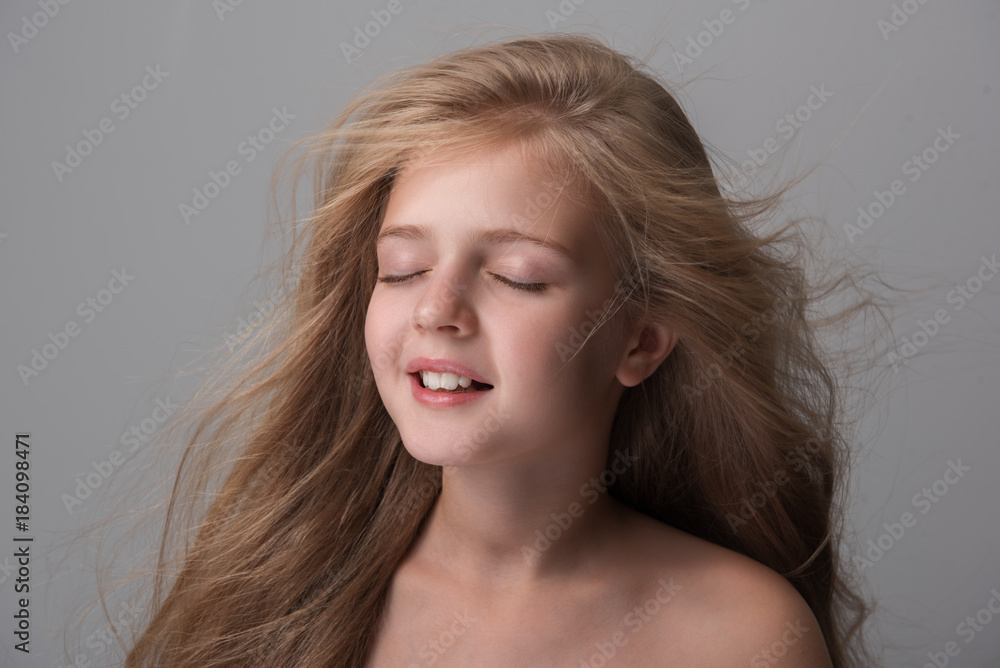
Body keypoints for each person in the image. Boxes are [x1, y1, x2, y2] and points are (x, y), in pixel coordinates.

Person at [109, 32, 879, 667]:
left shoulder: (743, 637)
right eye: (403, 269)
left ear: (640, 339)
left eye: (516, 277)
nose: (437, 311)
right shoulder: (275, 595)